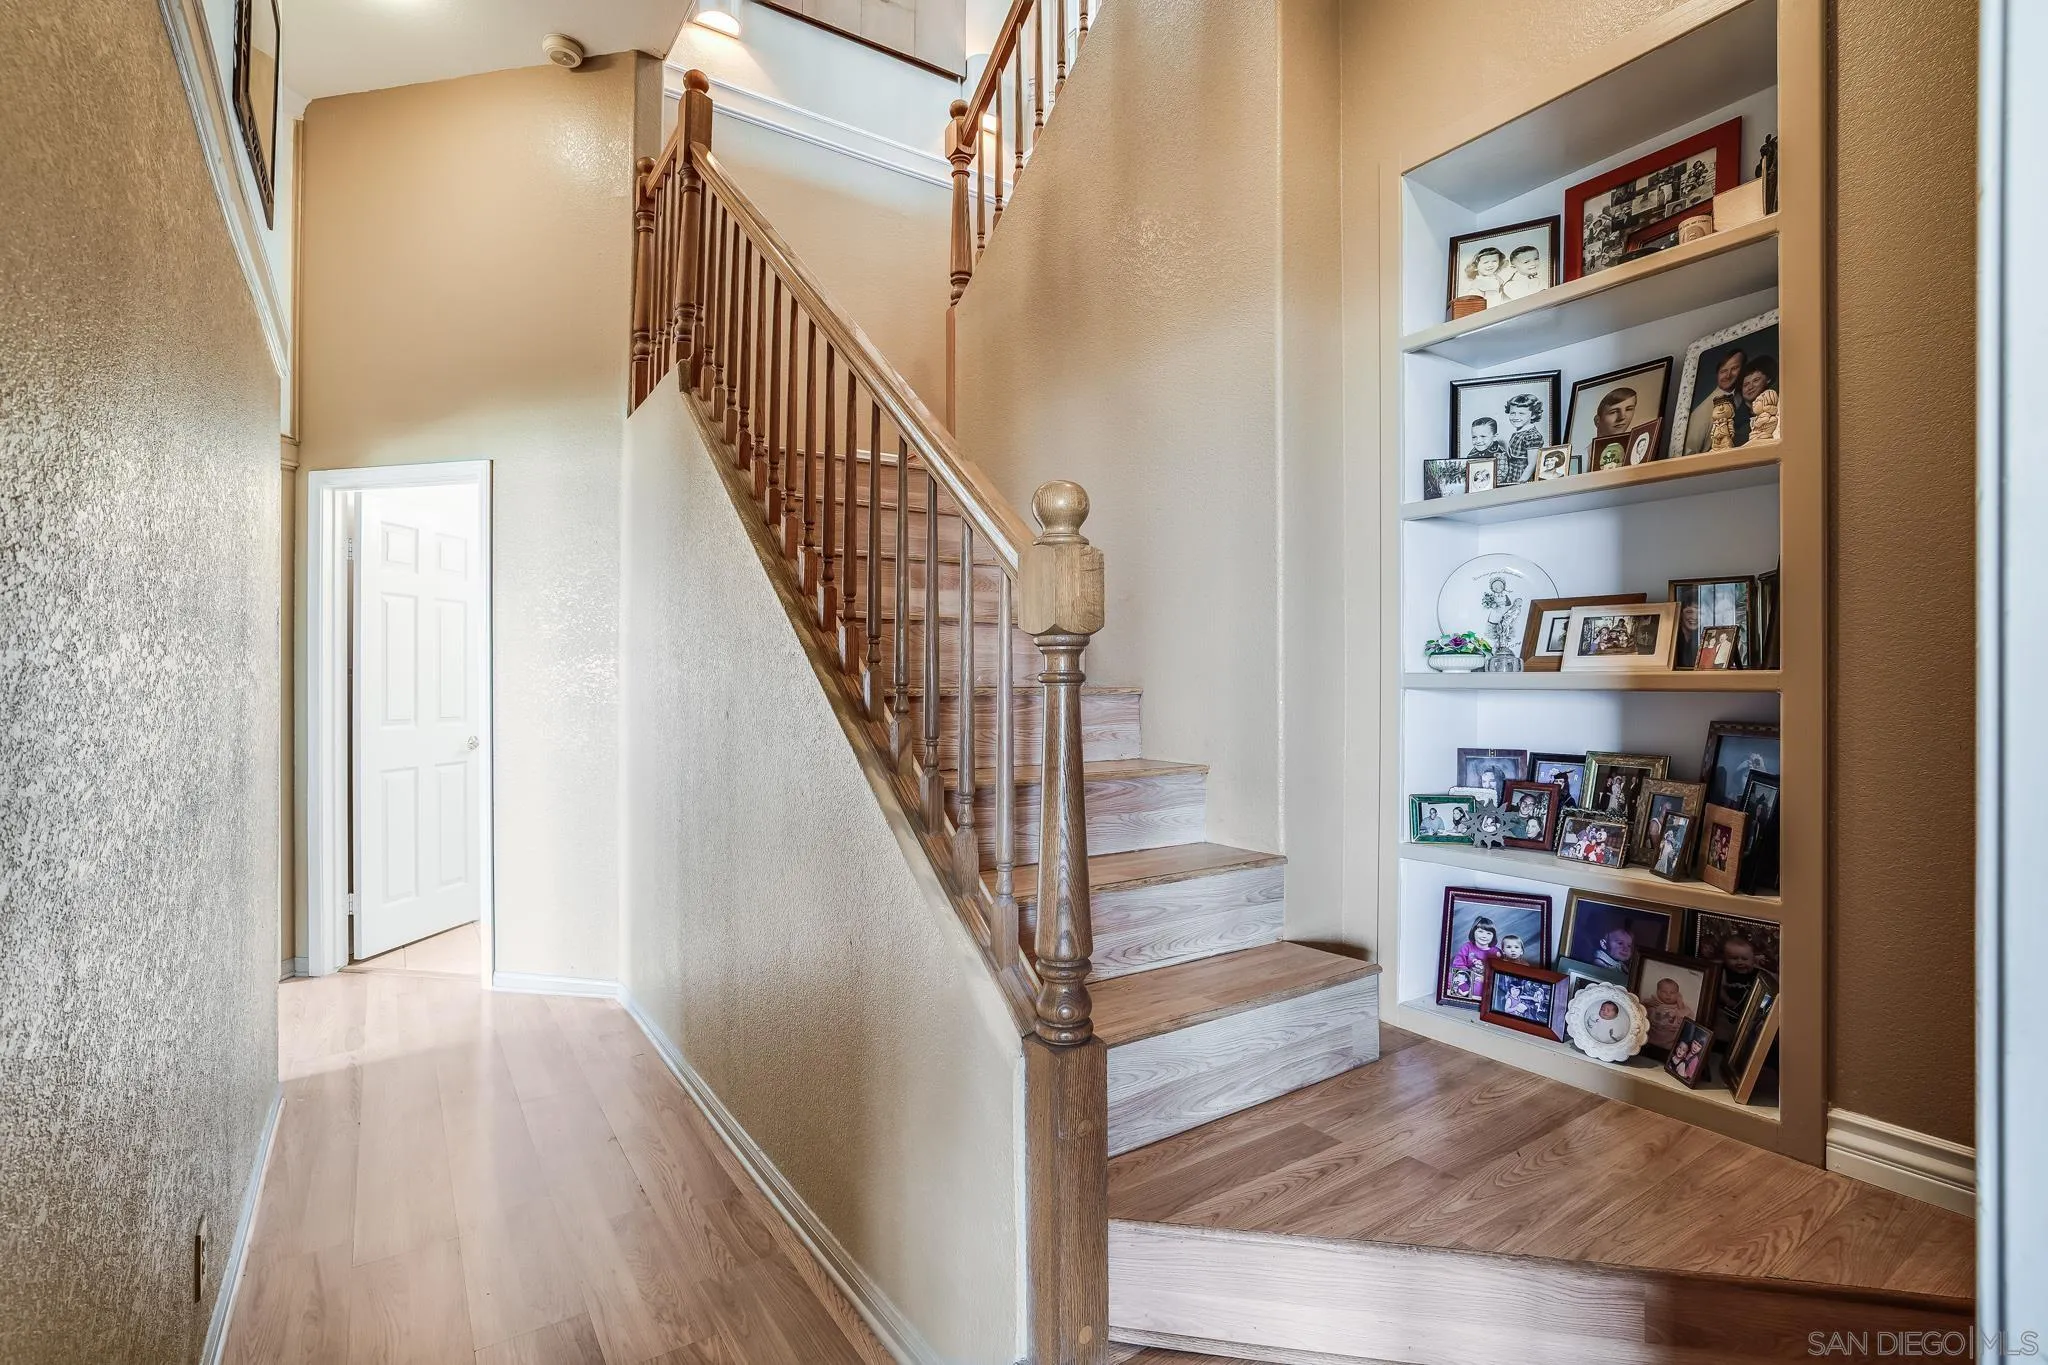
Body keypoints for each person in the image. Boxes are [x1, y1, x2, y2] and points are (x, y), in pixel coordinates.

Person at [1683, 346, 1747, 454]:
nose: (1728, 375)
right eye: (1723, 371)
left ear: (1743, 369)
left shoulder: (1742, 396)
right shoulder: (1701, 412)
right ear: (1717, 374)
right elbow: (1689, 453)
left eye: (1735, 368)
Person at [1714, 932, 1761, 1034]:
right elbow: (1719, 988)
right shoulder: (1724, 971)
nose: (1740, 962)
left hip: (1746, 1007)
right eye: (1734, 958)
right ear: (1725, 958)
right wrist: (1728, 1000)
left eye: (1745, 959)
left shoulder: (1755, 972)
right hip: (1727, 1007)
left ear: (1753, 960)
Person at [1498, 393, 1545, 483]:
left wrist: (1521, 482)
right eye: (1512, 413)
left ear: (1533, 415)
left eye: (1521, 413)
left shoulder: (1532, 436)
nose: (1516, 417)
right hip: (1512, 473)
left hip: (1522, 475)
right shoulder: (1519, 432)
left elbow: (1532, 464)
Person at [1646, 977, 1692, 1051]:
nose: (1668, 995)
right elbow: (1641, 1011)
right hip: (1650, 1040)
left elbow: (1687, 1020)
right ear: (1658, 992)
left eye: (1672, 993)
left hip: (1669, 1044)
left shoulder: (1680, 1008)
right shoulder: (1652, 1003)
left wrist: (1680, 1006)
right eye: (1664, 992)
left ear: (1677, 995)